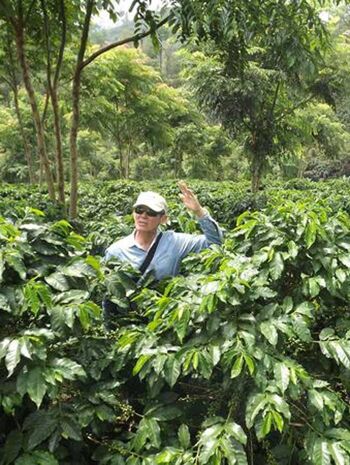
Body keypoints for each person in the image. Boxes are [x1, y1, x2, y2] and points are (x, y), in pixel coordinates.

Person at [104, 181, 223, 281]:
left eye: (151, 212)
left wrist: (199, 212)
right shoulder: (116, 251)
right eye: (139, 210)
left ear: (163, 219)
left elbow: (214, 242)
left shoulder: (175, 242)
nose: (143, 216)